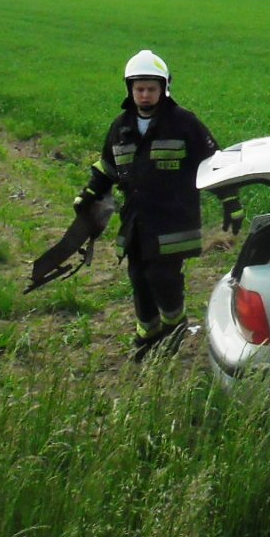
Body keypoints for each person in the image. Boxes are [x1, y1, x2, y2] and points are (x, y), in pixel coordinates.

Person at [74, 49, 244, 361]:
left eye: (152, 88)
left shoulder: (184, 123)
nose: (145, 95)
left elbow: (214, 164)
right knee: (138, 277)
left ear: (164, 87)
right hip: (136, 222)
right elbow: (107, 168)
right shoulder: (121, 126)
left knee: (163, 277)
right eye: (139, 88)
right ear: (130, 89)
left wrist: (230, 200)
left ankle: (175, 326)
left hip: (174, 220)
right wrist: (88, 194)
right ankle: (148, 333)